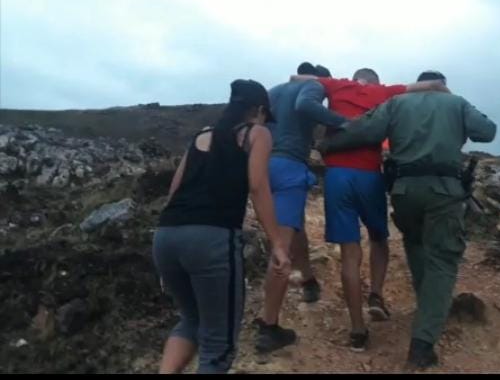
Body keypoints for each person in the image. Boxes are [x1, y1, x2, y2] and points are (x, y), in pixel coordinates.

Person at [320, 71, 497, 368]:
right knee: (442, 259)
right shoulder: (457, 103)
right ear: (442, 86)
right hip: (444, 191)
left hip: (404, 191)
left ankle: (428, 309)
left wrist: (328, 145)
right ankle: (422, 344)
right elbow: (487, 132)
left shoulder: (396, 103)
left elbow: (365, 130)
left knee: (415, 246)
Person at [292, 68, 447, 352]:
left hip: (338, 176)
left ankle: (357, 330)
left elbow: (295, 79)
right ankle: (375, 295)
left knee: (349, 253)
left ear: (356, 78)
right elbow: (433, 85)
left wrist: (336, 112)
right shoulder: (385, 91)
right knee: (378, 238)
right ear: (375, 81)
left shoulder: (337, 85)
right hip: (369, 175)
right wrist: (443, 90)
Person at [152, 79, 291, 374]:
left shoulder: (202, 135)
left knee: (191, 320)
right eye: (265, 116)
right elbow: (258, 186)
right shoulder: (257, 134)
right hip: (212, 240)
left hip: (166, 236)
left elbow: (174, 189)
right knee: (218, 344)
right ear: (258, 110)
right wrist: (278, 243)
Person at [255, 62, 348, 354]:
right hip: (288, 167)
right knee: (281, 246)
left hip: (261, 165)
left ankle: (308, 280)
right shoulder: (314, 86)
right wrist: (344, 122)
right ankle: (269, 327)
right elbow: (306, 105)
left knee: (295, 227)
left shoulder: (273, 91)